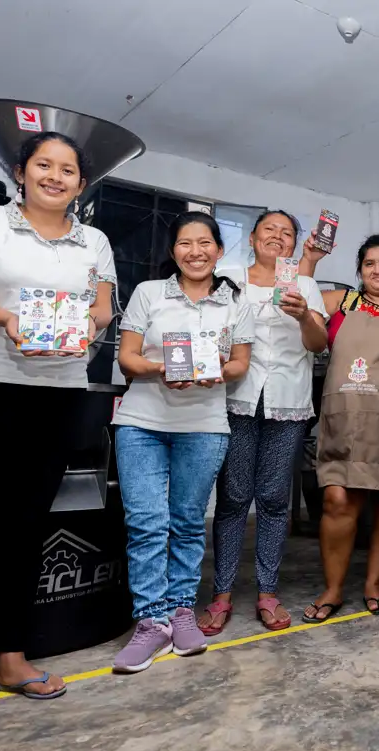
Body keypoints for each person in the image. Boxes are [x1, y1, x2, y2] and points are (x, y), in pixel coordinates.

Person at [0, 132, 115, 715]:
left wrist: (82, 332)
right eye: (44, 165)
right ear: (21, 171)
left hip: (56, 393)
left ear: (81, 184)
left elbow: (102, 309)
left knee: (28, 525)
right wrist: (13, 321)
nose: (56, 177)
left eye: (68, 170)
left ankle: (12, 653)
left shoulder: (95, 241)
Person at [111, 212, 253, 673]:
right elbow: (128, 359)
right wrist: (163, 369)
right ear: (173, 251)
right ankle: (151, 623)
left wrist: (208, 371)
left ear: (218, 249)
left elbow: (239, 366)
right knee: (147, 522)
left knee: (189, 522)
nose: (196, 251)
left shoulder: (236, 302)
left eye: (205, 242)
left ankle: (181, 611)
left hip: (205, 424)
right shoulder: (149, 293)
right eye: (186, 243)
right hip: (142, 422)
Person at [197, 211, 328, 637]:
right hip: (237, 397)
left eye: (286, 233)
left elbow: (319, 343)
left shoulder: (306, 285)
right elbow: (211, 327)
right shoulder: (229, 276)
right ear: (252, 238)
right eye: (269, 230)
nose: (277, 237)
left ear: (294, 244)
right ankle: (222, 594)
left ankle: (268, 592)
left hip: (287, 400)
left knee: (273, 497)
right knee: (233, 497)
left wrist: (304, 315)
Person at [297, 234, 379, 621]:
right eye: (369, 264)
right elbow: (303, 304)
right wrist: (309, 262)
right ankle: (333, 589)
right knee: (337, 501)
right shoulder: (338, 302)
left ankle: (374, 583)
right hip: (342, 419)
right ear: (359, 270)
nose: (378, 270)